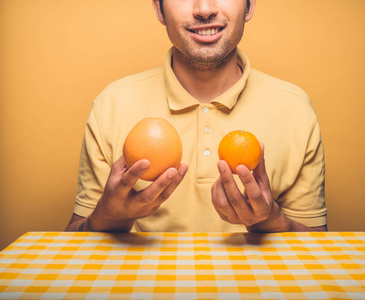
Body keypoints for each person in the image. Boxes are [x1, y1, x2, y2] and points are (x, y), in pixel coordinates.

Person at [66, 0, 327, 233]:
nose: (204, 9)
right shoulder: (111, 104)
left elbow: (319, 250)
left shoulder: (295, 108)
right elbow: (73, 247)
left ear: (250, 5)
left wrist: (273, 221)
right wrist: (108, 217)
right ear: (159, 8)